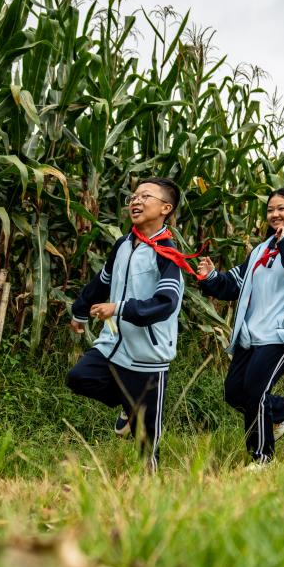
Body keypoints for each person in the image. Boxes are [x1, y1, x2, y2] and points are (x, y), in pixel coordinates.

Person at [67, 177, 192, 472]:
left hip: (148, 353)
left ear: (165, 208)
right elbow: (103, 281)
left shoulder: (168, 255)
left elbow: (166, 303)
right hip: (113, 344)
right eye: (133, 197)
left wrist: (119, 308)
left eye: (145, 196)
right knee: (79, 377)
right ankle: (128, 406)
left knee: (146, 443)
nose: (136, 201)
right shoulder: (123, 244)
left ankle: (149, 485)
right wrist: (80, 311)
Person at [197, 188, 284, 467]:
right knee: (234, 393)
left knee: (256, 392)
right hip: (252, 334)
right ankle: (281, 408)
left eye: (281, 209)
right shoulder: (259, 250)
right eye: (270, 210)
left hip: (282, 334)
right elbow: (234, 284)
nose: (274, 214)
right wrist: (211, 277)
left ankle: (262, 457)